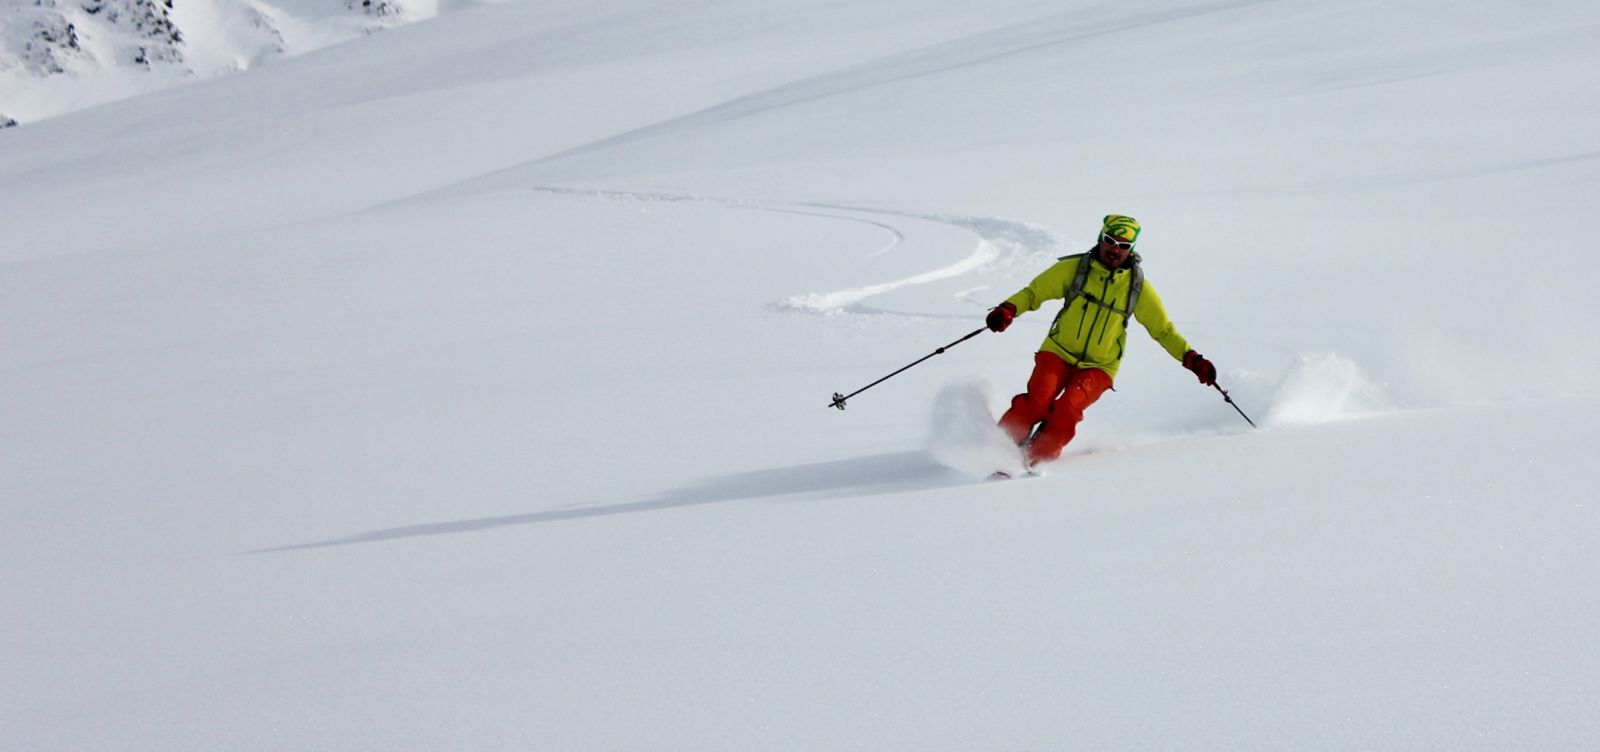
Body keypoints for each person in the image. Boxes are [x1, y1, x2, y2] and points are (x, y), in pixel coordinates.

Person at [984, 214, 1216, 468]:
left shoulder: (1136, 288)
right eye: (1110, 240)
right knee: (1036, 403)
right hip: (1058, 352)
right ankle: (993, 451)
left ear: (1131, 249)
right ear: (1100, 238)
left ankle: (1034, 460)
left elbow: (1163, 330)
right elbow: (1033, 293)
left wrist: (1192, 359)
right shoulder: (1074, 270)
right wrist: (1008, 309)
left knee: (1066, 411)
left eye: (1124, 246)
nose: (1115, 249)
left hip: (1099, 366)